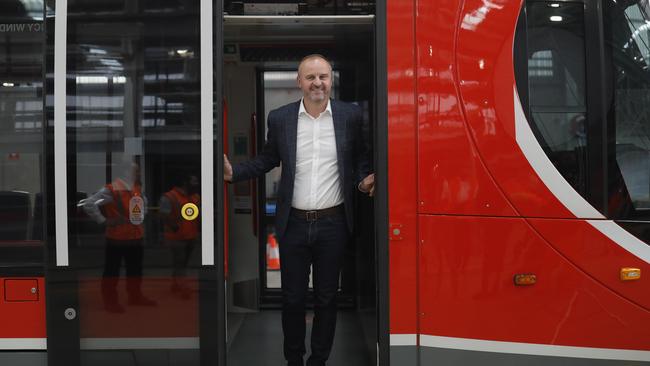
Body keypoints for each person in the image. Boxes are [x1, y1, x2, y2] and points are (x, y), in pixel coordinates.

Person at [224, 54, 375, 366]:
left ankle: (317, 361)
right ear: (299, 82)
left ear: (331, 80)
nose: (317, 82)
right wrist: (234, 173)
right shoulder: (280, 119)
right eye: (310, 77)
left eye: (323, 76)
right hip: (293, 223)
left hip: (333, 224)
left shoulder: (351, 115)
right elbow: (267, 159)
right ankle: (294, 360)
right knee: (292, 300)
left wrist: (362, 182)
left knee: (327, 299)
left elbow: (361, 158)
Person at [81, 160, 157, 313]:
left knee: (135, 270)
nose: (138, 174)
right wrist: (104, 221)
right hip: (116, 239)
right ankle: (110, 302)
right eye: (135, 171)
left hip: (135, 237)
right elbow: (89, 203)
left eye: (138, 171)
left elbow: (144, 206)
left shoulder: (137, 188)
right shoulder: (111, 189)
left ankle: (135, 296)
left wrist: (140, 217)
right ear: (126, 172)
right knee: (112, 272)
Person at [159, 171, 200, 299]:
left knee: (182, 263)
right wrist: (173, 226)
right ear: (185, 182)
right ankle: (183, 288)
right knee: (180, 262)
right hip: (176, 237)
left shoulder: (195, 197)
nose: (196, 184)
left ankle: (176, 284)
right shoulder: (170, 196)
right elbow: (163, 215)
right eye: (194, 181)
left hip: (190, 236)